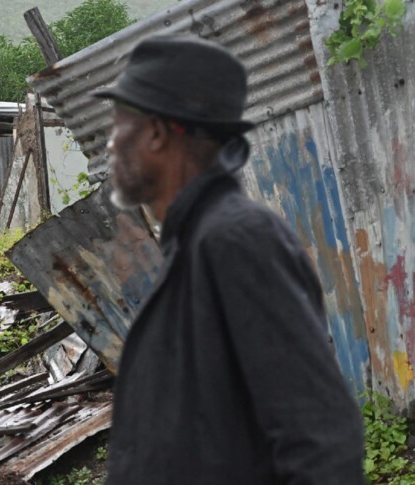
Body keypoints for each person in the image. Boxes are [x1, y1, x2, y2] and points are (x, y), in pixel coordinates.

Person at [93, 35, 365, 484]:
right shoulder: (196, 241)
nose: (109, 144)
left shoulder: (236, 241)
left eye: (119, 123)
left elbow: (320, 434)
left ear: (158, 132)